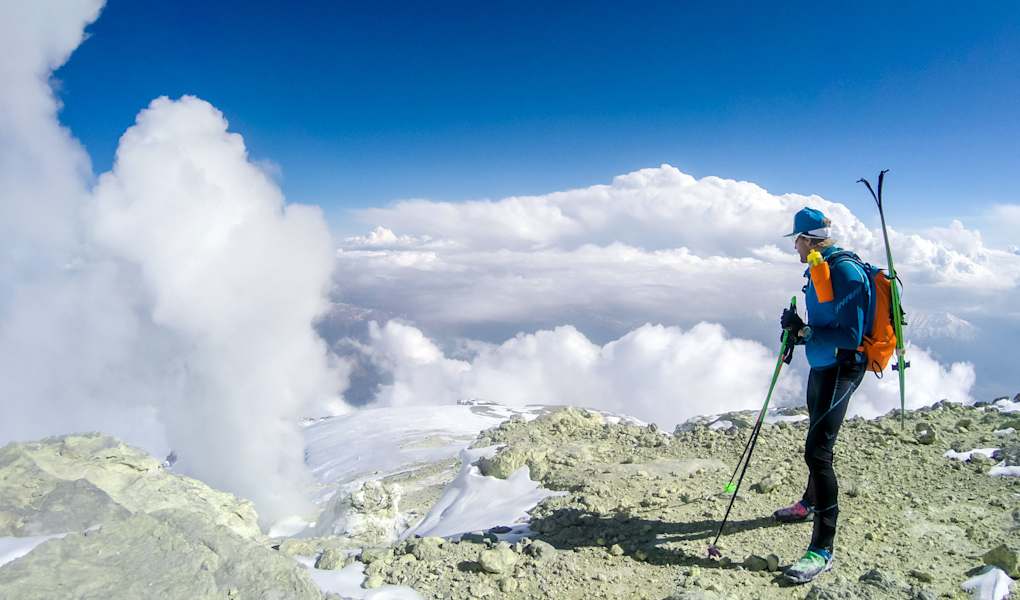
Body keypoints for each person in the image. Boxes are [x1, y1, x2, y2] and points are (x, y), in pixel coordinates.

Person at [773, 207, 872, 584]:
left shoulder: (844, 271)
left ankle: (822, 550)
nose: (795, 247)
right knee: (816, 436)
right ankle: (810, 502)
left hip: (841, 368)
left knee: (817, 452)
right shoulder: (819, 267)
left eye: (796, 240)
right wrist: (799, 330)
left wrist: (805, 332)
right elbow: (825, 323)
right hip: (822, 364)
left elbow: (850, 335)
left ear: (808, 239)